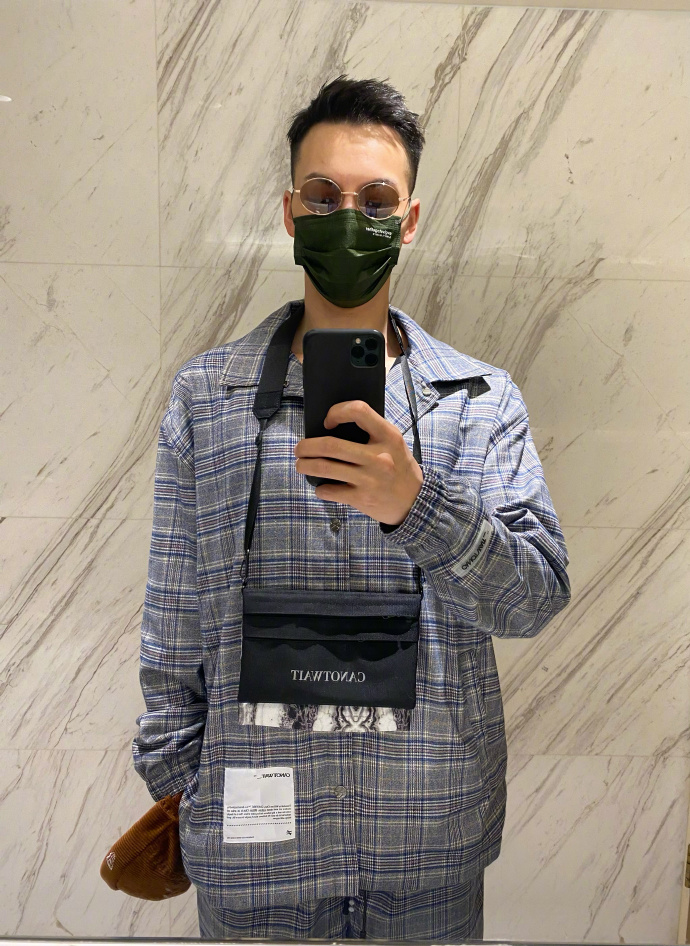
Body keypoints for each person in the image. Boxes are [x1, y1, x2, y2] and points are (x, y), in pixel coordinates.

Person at [132, 75, 571, 941]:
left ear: (409, 222)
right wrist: (186, 787)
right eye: (323, 195)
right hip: (254, 855)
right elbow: (172, 621)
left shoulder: (478, 401)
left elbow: (534, 599)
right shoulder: (208, 399)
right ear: (290, 213)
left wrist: (419, 506)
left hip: (429, 847)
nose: (348, 217)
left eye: (375, 200)